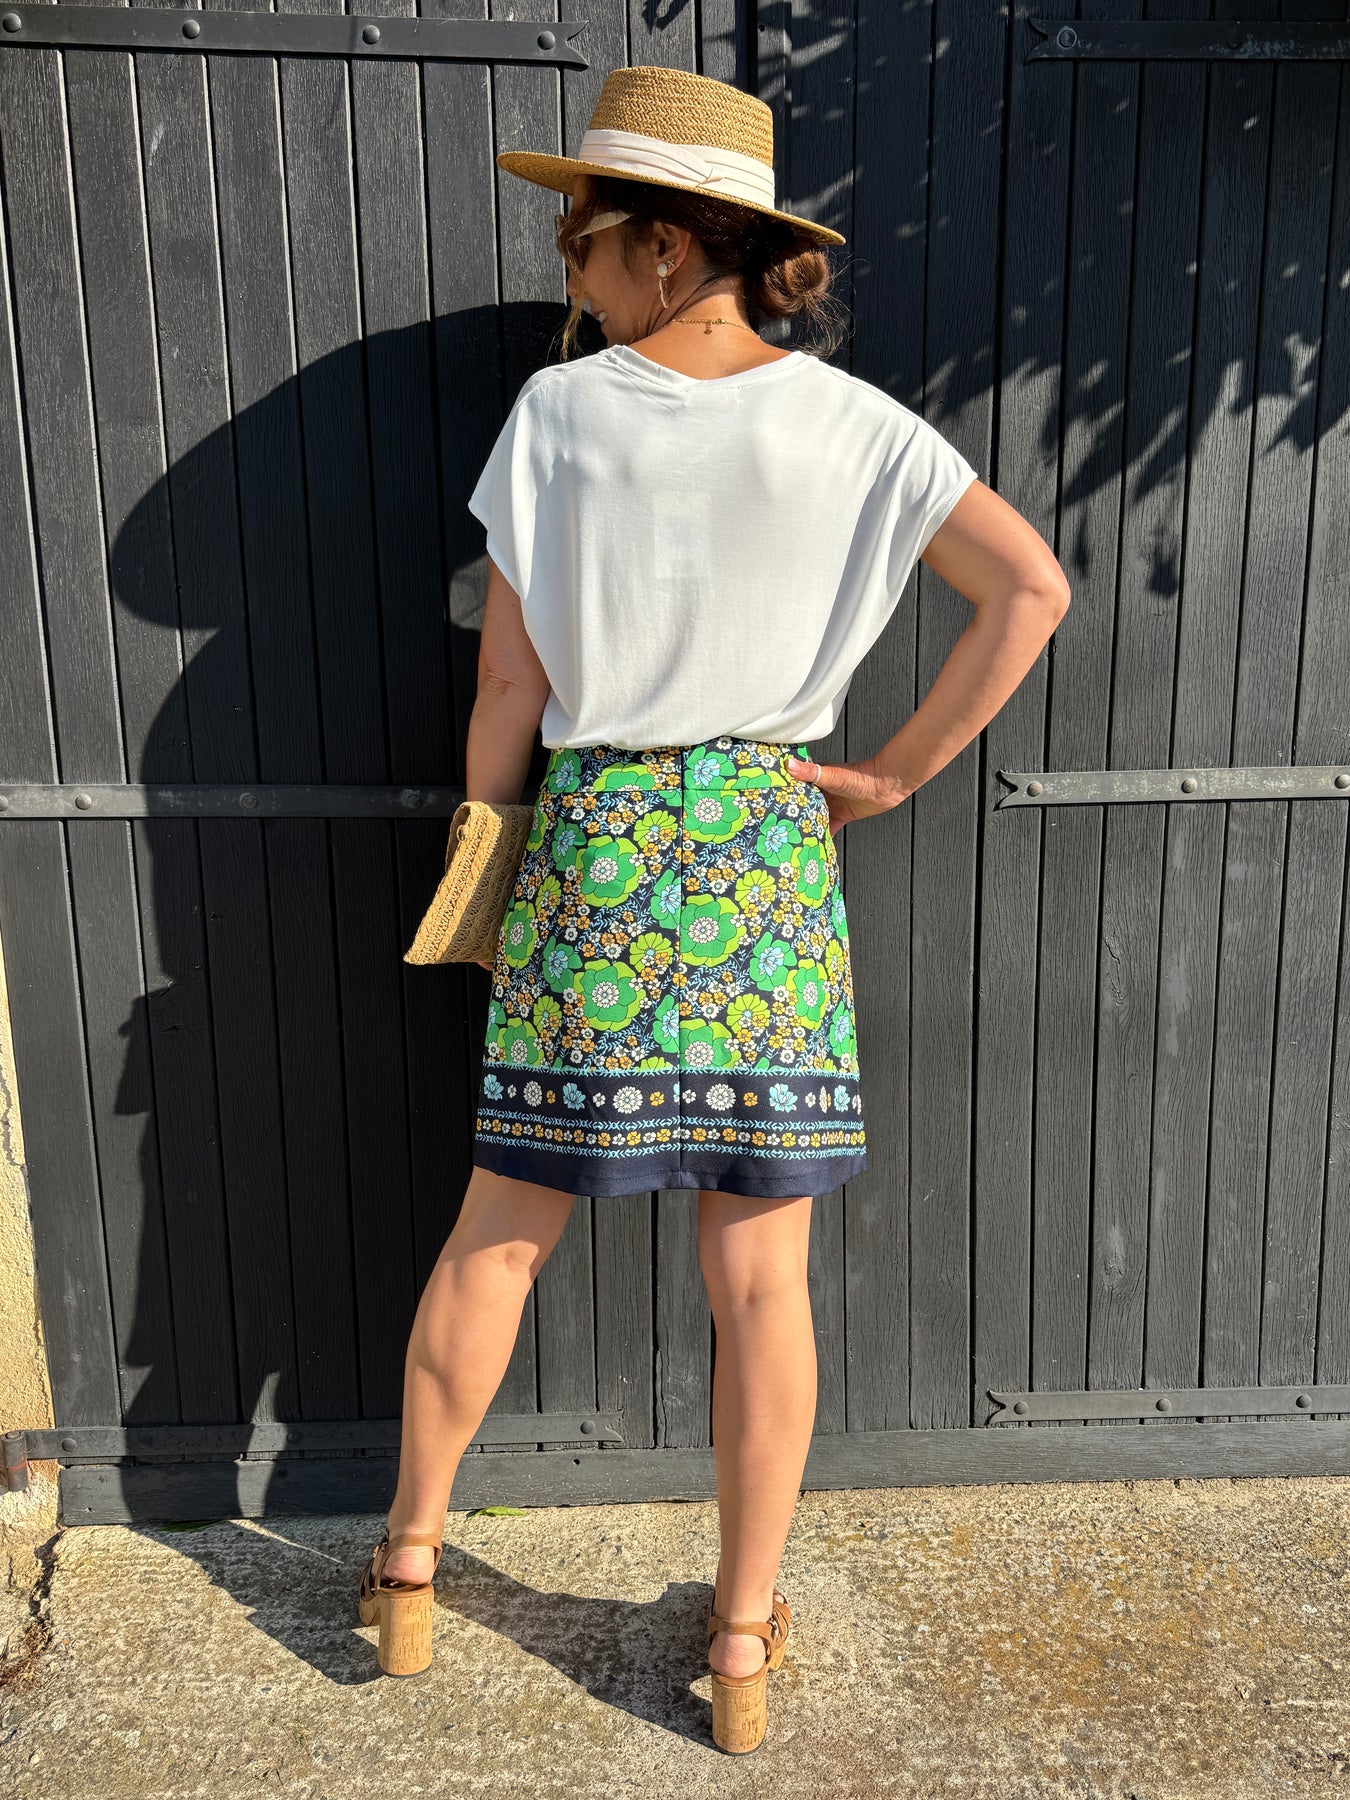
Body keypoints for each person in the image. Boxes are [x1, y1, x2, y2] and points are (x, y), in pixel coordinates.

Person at [358, 65, 1070, 1753]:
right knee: (760, 1280)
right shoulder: (857, 427)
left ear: (667, 246)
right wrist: (883, 777)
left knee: (498, 1229)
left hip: (597, 849)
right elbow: (1029, 588)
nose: (570, 274)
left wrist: (489, 854)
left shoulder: (560, 417)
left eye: (583, 241)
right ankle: (740, 1649)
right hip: (762, 855)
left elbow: (511, 684)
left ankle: (406, 1576)